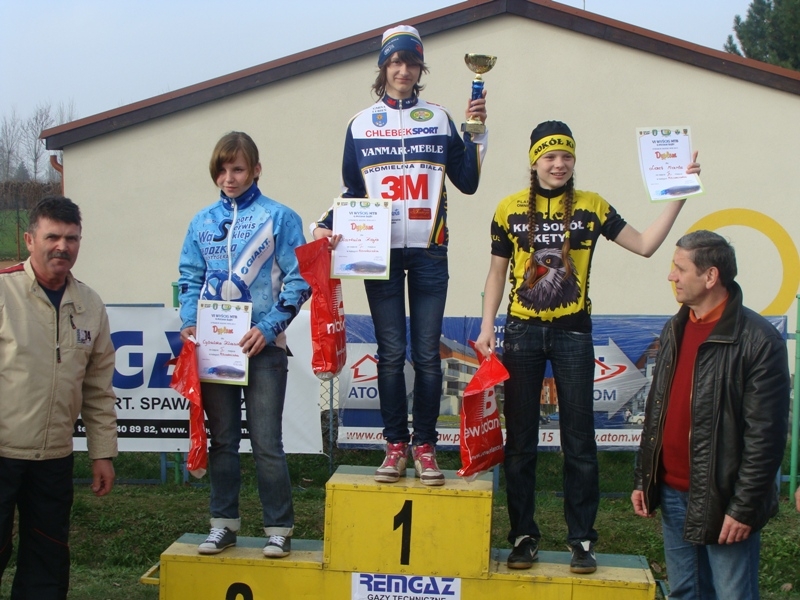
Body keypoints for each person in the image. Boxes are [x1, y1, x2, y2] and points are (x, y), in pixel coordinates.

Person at [474, 120, 701, 574]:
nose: (558, 164)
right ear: (534, 161)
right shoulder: (507, 208)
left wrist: (679, 193)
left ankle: (581, 540)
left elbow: (644, 245)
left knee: (579, 440)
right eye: (549, 156)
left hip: (574, 333)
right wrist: (486, 327)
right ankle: (523, 536)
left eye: (566, 156)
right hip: (521, 333)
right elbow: (497, 271)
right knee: (520, 441)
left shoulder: (593, 206)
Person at [311, 25, 488, 486]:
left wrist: (476, 132)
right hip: (379, 254)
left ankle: (425, 446)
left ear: (420, 68)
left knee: (427, 355)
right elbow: (354, 191)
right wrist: (324, 222)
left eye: (411, 62)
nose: (403, 69)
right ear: (383, 67)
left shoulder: (440, 118)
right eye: (395, 61)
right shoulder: (361, 124)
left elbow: (468, 182)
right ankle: (394, 446)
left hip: (430, 251)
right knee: (390, 354)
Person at [632, 230, 790, 599]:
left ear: (710, 276)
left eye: (680, 268)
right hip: (672, 491)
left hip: (724, 500)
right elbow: (657, 409)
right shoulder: (675, 328)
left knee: (732, 593)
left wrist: (744, 507)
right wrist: (644, 477)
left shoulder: (759, 340)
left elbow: (765, 437)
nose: (671, 275)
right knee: (685, 591)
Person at [178, 131, 311, 558]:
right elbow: (189, 277)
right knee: (223, 441)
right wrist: (188, 322)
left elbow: (300, 280)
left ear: (256, 169)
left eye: (237, 169)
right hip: (215, 347)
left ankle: (279, 529)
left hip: (264, 348)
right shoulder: (201, 222)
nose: (229, 178)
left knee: (267, 442)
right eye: (222, 170)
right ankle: (223, 525)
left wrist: (268, 329)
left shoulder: (280, 218)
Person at [0, 196, 118, 599]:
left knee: (47, 562)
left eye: (71, 238)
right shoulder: (3, 292)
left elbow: (98, 389)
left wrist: (102, 453)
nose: (62, 247)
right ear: (30, 240)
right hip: (3, 451)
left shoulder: (90, 305)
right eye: (52, 237)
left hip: (53, 458)